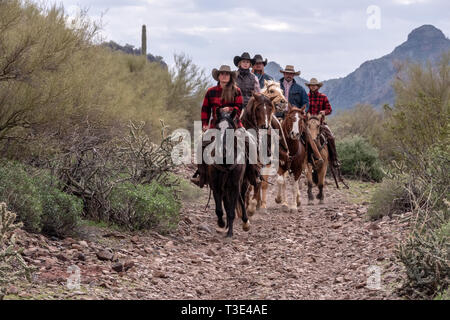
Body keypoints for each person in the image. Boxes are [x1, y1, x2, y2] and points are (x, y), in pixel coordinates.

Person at [191, 65, 243, 187]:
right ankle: (202, 175)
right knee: (202, 145)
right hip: (216, 126)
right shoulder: (211, 91)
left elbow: (239, 109)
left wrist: (230, 109)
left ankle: (253, 173)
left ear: (230, 77)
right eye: (222, 74)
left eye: (227, 74)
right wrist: (204, 124)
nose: (224, 76)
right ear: (218, 76)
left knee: (248, 142)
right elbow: (205, 109)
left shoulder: (236, 91)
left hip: (234, 125)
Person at [305, 78, 341, 169]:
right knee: (298, 136)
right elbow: (303, 108)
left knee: (331, 137)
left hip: (320, 123)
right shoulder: (306, 97)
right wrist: (306, 113)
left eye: (315, 85)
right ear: (309, 86)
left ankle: (334, 159)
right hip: (308, 124)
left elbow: (329, 109)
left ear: (318, 86)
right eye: (311, 85)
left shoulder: (323, 97)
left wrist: (324, 112)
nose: (313, 87)